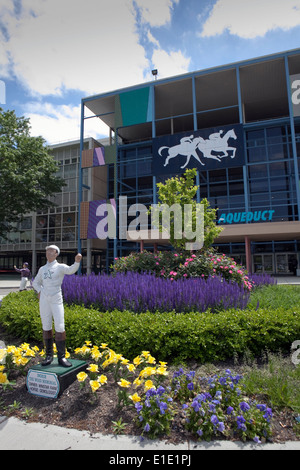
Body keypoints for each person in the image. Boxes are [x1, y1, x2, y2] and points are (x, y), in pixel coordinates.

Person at [32, 245, 82, 367]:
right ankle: (48, 355)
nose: (48, 253)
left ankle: (61, 357)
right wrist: (39, 291)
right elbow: (35, 282)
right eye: (47, 251)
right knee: (46, 325)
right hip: (44, 298)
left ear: (56, 254)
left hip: (56, 298)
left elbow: (71, 270)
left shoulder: (60, 267)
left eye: (51, 251)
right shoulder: (42, 269)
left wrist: (76, 262)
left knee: (60, 325)